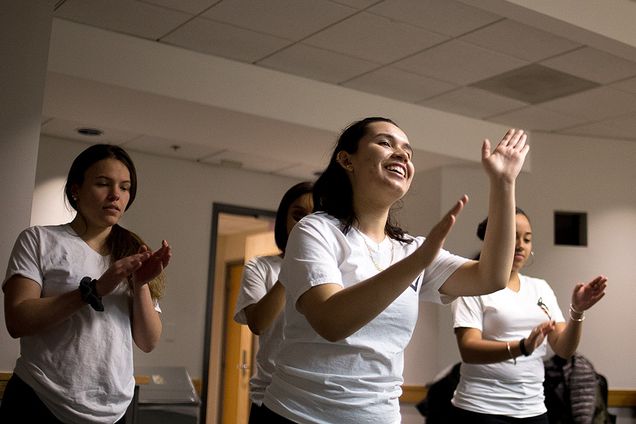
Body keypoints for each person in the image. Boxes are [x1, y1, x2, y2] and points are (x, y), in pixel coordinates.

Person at [261, 116, 530, 423]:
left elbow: (491, 277)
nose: (401, 154)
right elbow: (331, 322)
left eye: (408, 151)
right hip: (298, 415)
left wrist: (504, 182)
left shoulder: (411, 249)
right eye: (385, 143)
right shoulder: (315, 231)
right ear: (347, 160)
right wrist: (417, 262)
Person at [1, 144, 171, 423]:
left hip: (112, 411)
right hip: (40, 399)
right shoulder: (39, 240)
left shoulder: (133, 250)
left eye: (125, 187)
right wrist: (94, 290)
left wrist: (140, 284)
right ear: (76, 190)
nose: (116, 194)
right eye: (103, 183)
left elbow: (148, 341)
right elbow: (17, 320)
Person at [450, 208, 607, 423]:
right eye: (513, 236)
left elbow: (564, 348)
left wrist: (577, 311)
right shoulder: (474, 285)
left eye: (527, 239)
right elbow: (469, 349)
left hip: (533, 410)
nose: (521, 245)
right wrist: (523, 346)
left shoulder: (539, 288)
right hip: (481, 408)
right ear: (493, 239)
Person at [233, 181, 314, 423]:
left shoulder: (337, 270)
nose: (305, 224)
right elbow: (259, 323)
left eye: (315, 217)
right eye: (298, 215)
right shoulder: (262, 267)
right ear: (284, 222)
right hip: (270, 399)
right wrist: (294, 265)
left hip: (317, 403)